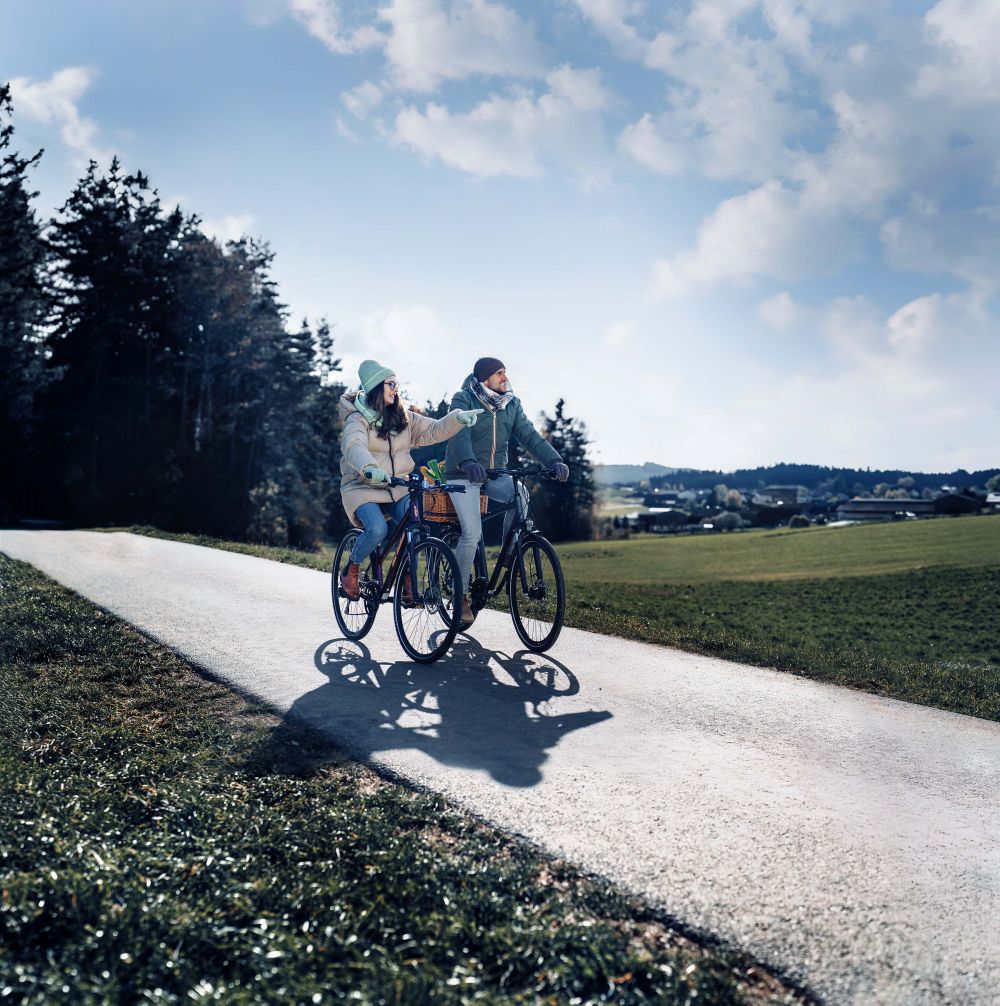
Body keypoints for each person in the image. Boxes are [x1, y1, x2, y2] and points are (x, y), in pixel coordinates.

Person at [338, 359, 481, 600]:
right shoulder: (357, 420)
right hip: (363, 486)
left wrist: (457, 419)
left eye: (397, 384)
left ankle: (407, 579)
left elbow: (433, 430)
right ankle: (351, 569)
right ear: (376, 387)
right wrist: (370, 468)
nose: (396, 389)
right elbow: (353, 446)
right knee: (377, 529)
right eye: (390, 384)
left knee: (415, 527)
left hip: (397, 486)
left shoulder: (403, 418)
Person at [445, 357, 569, 627]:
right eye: (499, 373)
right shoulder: (463, 398)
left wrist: (553, 460)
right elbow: (457, 434)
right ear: (485, 377)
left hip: (494, 474)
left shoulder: (510, 404)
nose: (505, 377)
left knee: (520, 493)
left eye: (505, 372)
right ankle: (459, 594)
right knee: (472, 533)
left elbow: (530, 436)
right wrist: (467, 462)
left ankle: (512, 552)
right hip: (462, 474)